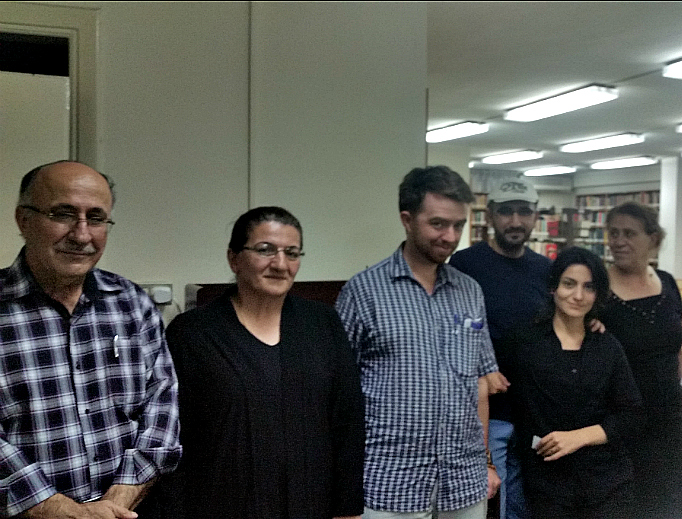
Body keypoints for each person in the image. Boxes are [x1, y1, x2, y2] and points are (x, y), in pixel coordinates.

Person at [0, 160, 182, 518]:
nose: (82, 235)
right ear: (24, 220)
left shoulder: (131, 303)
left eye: (96, 218)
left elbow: (162, 406)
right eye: (63, 214)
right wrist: (58, 510)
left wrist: (115, 503)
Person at [163, 206, 365, 519]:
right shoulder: (193, 333)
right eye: (265, 250)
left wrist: (347, 509)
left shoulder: (323, 324)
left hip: (311, 504)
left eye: (292, 253)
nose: (281, 264)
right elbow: (174, 437)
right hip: (221, 504)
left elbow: (347, 423)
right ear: (234, 258)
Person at [335, 165, 501, 519]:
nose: (450, 236)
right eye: (438, 223)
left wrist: (486, 462)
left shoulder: (470, 292)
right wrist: (340, 486)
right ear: (407, 219)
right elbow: (337, 396)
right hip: (390, 482)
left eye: (458, 225)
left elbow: (480, 386)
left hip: (464, 481)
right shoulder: (364, 291)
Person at [500, 246, 644, 519]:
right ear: (553, 287)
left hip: (608, 481)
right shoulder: (523, 343)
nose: (578, 296)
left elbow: (632, 415)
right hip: (547, 484)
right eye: (569, 284)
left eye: (588, 287)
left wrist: (578, 437)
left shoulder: (607, 345)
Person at [449, 177, 550, 519]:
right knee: (488, 504)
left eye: (524, 212)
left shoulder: (547, 270)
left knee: (524, 503)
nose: (516, 221)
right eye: (506, 212)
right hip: (485, 414)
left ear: (536, 216)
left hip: (533, 412)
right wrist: (481, 367)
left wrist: (593, 321)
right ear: (489, 215)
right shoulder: (464, 265)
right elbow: (448, 331)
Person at [599, 201, 682, 518]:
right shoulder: (598, 290)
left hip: (669, 419)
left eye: (629, 233)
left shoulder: (668, 282)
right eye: (614, 233)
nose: (618, 241)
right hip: (621, 421)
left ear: (653, 239)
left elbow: (676, 343)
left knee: (668, 502)